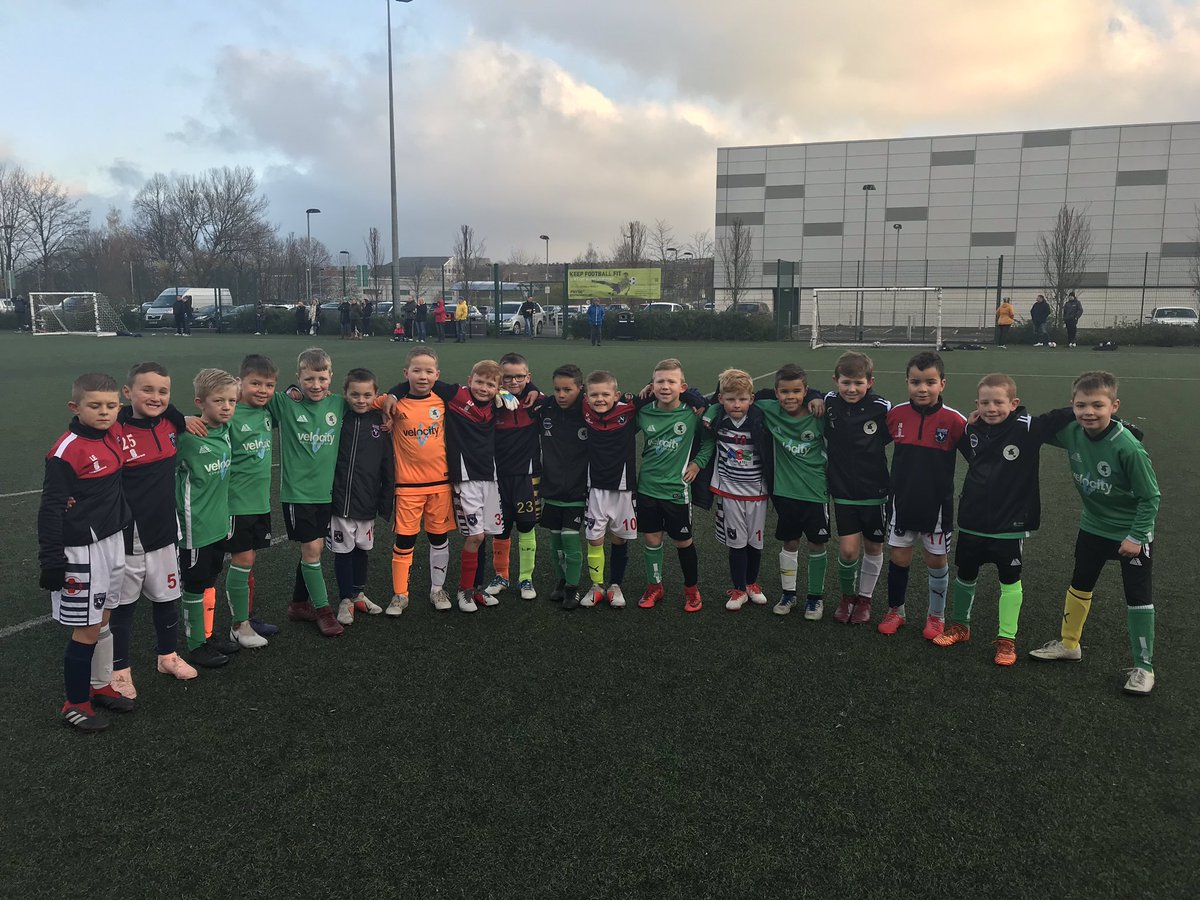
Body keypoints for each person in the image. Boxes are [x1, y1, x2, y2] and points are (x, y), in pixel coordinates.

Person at [1029, 371, 1161, 695]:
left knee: (1138, 597)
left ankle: (1144, 668)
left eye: (1097, 405)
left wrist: (1136, 536)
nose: (1089, 412)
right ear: (1072, 406)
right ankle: (1069, 644)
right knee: (1080, 583)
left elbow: (1150, 497)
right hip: (1093, 525)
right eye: (1081, 405)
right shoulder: (1073, 431)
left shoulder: (1128, 448)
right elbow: (1035, 429)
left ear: (1114, 406)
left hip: (1130, 532)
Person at [932, 374, 1074, 665]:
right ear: (977, 404)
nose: (991, 408)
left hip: (1010, 524)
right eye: (985, 402)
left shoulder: (1028, 428)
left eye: (998, 402)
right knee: (965, 574)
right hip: (972, 519)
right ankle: (960, 626)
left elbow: (1062, 415)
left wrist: (1112, 419)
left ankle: (1007, 640)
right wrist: (972, 423)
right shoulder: (972, 429)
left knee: (1009, 580)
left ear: (1014, 403)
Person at [38, 373, 131, 732]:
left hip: (112, 539)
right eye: (95, 406)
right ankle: (74, 703)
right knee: (88, 627)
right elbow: (50, 508)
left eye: (110, 406)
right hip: (81, 548)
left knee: (105, 617)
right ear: (75, 408)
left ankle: (100, 685)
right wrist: (51, 561)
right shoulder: (66, 450)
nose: (104, 412)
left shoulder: (115, 431)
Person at [386, 361, 519, 612]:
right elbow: (420, 382)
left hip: (490, 479)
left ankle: (476, 588)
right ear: (470, 380)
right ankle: (464, 591)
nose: (483, 388)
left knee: (485, 535)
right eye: (479, 382)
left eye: (491, 385)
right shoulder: (456, 395)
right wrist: (393, 393)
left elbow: (526, 393)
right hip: (464, 478)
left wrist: (505, 392)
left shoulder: (495, 403)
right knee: (475, 536)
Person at [105, 363, 200, 702]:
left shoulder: (170, 424)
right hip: (128, 535)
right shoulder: (112, 429)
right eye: (147, 390)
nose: (155, 397)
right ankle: (118, 670)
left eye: (163, 391)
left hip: (164, 531)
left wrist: (177, 413)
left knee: (167, 598)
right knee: (124, 607)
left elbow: (172, 412)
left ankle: (167, 656)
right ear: (126, 393)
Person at [879, 351, 967, 639]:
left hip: (937, 507)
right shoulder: (896, 415)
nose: (922, 388)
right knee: (899, 557)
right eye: (916, 382)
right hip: (901, 503)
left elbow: (980, 457)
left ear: (943, 384)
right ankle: (896, 611)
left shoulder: (955, 421)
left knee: (936, 561)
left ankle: (936, 616)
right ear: (907, 382)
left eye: (930, 382)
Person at [269, 348, 347, 637]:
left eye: (322, 378)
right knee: (312, 549)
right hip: (297, 494)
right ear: (298, 377)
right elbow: (247, 392)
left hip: (325, 494)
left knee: (315, 550)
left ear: (331, 377)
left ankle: (298, 604)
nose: (316, 385)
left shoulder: (339, 403)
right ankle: (324, 611)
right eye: (308, 379)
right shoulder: (285, 404)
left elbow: (370, 399)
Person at [374, 347, 455, 613]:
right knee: (405, 540)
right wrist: (393, 395)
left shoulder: (443, 401)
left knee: (438, 537)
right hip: (408, 487)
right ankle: (400, 594)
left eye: (429, 371)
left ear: (437, 375)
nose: (423, 376)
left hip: (440, 485)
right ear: (405, 373)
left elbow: (478, 393)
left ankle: (437, 589)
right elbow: (361, 399)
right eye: (417, 371)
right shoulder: (393, 401)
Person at [746, 365, 830, 617]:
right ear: (776, 392)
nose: (790, 396)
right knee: (790, 541)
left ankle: (815, 598)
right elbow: (738, 394)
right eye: (784, 391)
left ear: (805, 391)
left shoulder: (819, 413)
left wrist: (817, 395)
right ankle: (788, 594)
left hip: (815, 491)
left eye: (797, 391)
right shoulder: (768, 409)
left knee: (817, 543)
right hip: (784, 492)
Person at [175, 369, 245, 667]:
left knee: (209, 579)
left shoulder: (225, 430)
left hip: (219, 522)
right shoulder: (186, 437)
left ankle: (208, 634)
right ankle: (195, 645)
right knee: (194, 583)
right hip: (195, 526)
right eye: (219, 400)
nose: (227, 406)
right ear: (200, 403)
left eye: (231, 400)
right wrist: (180, 420)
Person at [634, 359, 714, 613]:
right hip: (647, 487)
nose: (665, 386)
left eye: (671, 382)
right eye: (660, 381)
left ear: (683, 387)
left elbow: (708, 442)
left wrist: (698, 464)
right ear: (652, 385)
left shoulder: (692, 414)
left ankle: (691, 589)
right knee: (652, 539)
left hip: (677, 491)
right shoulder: (644, 412)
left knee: (683, 541)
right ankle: (654, 586)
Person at [691, 369, 772, 612]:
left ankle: (751, 584)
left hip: (757, 492)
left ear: (751, 399)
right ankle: (738, 588)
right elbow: (693, 397)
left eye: (742, 399)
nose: (737, 405)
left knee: (755, 542)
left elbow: (778, 397)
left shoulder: (760, 418)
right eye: (730, 399)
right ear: (720, 399)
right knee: (736, 542)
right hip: (729, 491)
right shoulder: (715, 419)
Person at [822, 352, 891, 625]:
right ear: (836, 381)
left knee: (874, 546)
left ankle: (865, 599)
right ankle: (847, 597)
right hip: (843, 490)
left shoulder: (882, 407)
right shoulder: (827, 402)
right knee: (848, 550)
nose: (852, 389)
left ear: (870, 382)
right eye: (846, 382)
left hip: (875, 490)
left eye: (858, 383)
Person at [330, 369, 394, 625]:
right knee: (343, 551)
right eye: (354, 394)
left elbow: (388, 464)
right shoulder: (338, 418)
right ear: (345, 394)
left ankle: (359, 593)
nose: (360, 399)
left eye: (367, 394)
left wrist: (386, 501)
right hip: (340, 502)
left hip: (367, 501)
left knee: (362, 550)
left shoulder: (381, 422)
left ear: (376, 395)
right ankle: (345, 599)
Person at [228, 355, 280, 640]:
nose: (263, 390)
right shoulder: (229, 413)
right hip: (235, 504)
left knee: (249, 562)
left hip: (260, 502)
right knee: (242, 559)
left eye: (269, 385)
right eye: (255, 384)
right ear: (240, 383)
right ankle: (239, 626)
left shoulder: (266, 412)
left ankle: (247, 615)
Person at [485, 353, 543, 600]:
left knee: (527, 525)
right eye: (507, 377)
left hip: (528, 477)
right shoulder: (488, 402)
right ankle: (502, 575)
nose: (514, 381)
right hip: (497, 478)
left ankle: (526, 578)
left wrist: (535, 391)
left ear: (528, 377)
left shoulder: (538, 404)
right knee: (501, 527)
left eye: (520, 377)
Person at [536, 364, 589, 609]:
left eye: (568, 389)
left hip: (578, 490)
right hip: (553, 488)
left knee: (570, 539)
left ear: (581, 388)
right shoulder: (545, 408)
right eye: (557, 389)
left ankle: (573, 587)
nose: (561, 395)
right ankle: (561, 580)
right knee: (555, 541)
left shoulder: (589, 411)